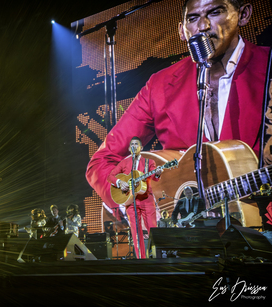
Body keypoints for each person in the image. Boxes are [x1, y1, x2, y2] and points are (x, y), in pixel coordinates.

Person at [86, 0, 269, 226]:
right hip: (187, 245)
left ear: (244, 14)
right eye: (192, 18)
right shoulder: (159, 85)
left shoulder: (268, 66)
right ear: (182, 31)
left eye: (215, 12)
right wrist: (129, 203)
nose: (202, 26)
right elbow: (102, 161)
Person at [106, 137, 162, 258]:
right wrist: (120, 183)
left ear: (141, 148)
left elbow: (154, 176)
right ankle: (141, 259)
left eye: (136, 144)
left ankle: (157, 258)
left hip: (146, 199)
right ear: (129, 149)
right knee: (136, 232)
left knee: (152, 229)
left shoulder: (149, 162)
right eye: (132, 144)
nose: (134, 146)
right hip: (130, 200)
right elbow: (110, 177)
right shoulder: (124, 163)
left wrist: (157, 173)